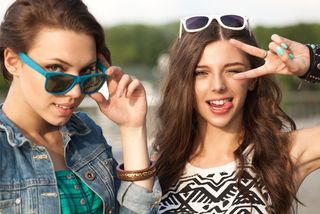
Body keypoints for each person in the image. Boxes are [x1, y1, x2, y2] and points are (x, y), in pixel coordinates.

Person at [0, 0, 161, 213]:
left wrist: (132, 128)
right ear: (12, 61)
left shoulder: (86, 133)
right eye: (56, 69)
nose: (75, 93)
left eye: (86, 73)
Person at [152, 14, 320, 213]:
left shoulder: (284, 154)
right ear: (184, 82)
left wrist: (312, 62)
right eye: (201, 73)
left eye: (232, 71)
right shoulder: (161, 164)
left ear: (253, 79)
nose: (218, 86)